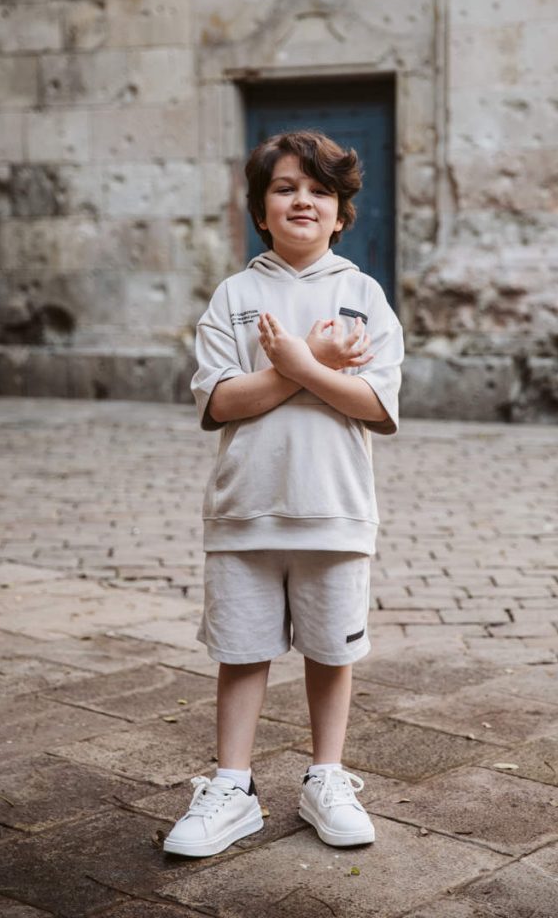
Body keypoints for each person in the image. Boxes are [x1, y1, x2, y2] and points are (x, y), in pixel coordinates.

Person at [164, 129, 403, 858]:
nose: (302, 199)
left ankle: (325, 777)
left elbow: (374, 405)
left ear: (339, 215)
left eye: (319, 191)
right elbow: (221, 402)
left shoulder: (362, 295)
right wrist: (307, 364)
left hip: (334, 513)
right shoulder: (235, 295)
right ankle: (231, 787)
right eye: (285, 188)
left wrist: (301, 361)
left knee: (333, 653)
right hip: (245, 513)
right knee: (241, 651)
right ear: (260, 211)